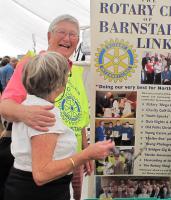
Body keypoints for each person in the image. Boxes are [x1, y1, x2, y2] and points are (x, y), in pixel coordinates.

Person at [0, 15, 91, 200]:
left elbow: (80, 116)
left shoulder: (75, 70)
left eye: (73, 35)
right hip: (40, 166)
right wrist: (25, 113)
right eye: (62, 32)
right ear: (49, 36)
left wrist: (84, 150)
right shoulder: (33, 64)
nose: (67, 38)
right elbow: (5, 105)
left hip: (70, 159)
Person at [3, 52, 114, 200]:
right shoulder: (45, 113)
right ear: (59, 83)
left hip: (25, 187)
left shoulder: (28, 106)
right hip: (41, 192)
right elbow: (41, 174)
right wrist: (87, 154)